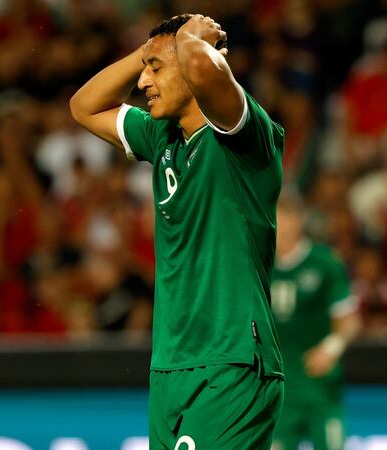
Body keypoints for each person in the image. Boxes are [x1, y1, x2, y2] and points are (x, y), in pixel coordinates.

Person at [70, 14, 285, 449]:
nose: (143, 81)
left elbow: (205, 70)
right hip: (171, 363)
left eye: (156, 69)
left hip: (231, 360)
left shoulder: (242, 135)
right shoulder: (162, 137)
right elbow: (84, 106)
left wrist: (186, 40)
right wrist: (148, 52)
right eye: (144, 69)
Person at [271, 195, 361, 450]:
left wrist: (330, 348)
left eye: (284, 219)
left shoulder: (324, 262)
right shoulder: (258, 264)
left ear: (298, 221)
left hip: (319, 387)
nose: (280, 227)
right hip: (278, 391)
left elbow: (350, 321)